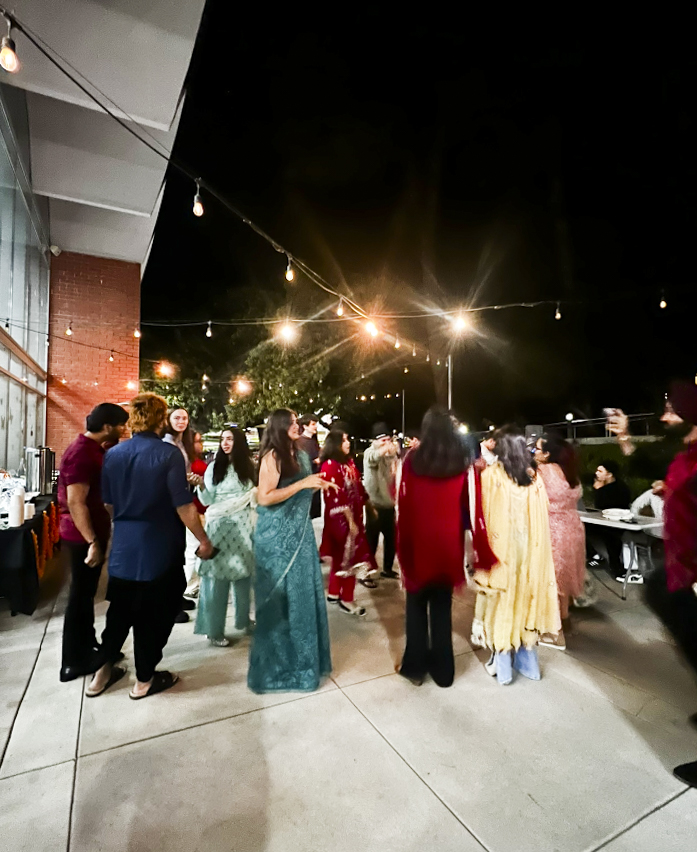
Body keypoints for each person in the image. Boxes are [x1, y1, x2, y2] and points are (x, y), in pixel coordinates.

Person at [86, 393, 214, 700]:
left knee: (119, 613)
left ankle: (100, 674)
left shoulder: (113, 454)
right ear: (160, 419)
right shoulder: (167, 454)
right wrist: (204, 540)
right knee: (155, 615)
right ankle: (144, 679)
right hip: (159, 545)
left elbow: (108, 503)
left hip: (124, 547)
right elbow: (183, 506)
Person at [609, 386, 697, 788]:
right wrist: (625, 437)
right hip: (682, 568)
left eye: (671, 412)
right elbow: (648, 464)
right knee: (658, 588)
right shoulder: (683, 456)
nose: (663, 419)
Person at [247, 409, 334, 693]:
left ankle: (307, 665)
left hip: (301, 536)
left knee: (303, 600)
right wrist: (303, 484)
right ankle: (280, 668)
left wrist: (318, 482)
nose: (298, 425)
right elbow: (265, 496)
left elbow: (301, 487)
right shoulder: (273, 456)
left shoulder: (302, 455)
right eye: (293, 422)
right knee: (282, 604)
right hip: (277, 539)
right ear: (281, 427)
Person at [471, 429, 560, 685]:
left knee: (502, 605)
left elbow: (483, 520)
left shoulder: (493, 477)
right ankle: (528, 663)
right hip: (531, 555)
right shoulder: (535, 480)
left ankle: (503, 666)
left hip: (504, 555)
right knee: (527, 603)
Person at [396, 407, 469, 687]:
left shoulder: (413, 459)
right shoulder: (460, 461)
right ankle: (444, 672)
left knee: (416, 607)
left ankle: (415, 668)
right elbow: (467, 505)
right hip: (447, 545)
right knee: (442, 608)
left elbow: (403, 503)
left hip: (418, 543)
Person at [57, 403, 129, 682]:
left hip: (87, 535)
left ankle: (90, 648)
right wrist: (92, 542)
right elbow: (76, 501)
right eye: (122, 424)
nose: (125, 429)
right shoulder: (81, 454)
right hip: (80, 538)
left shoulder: (92, 450)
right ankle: (74, 661)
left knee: (85, 597)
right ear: (108, 426)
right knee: (79, 598)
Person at [194, 428, 256, 646]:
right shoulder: (214, 467)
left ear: (238, 442)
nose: (225, 443)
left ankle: (244, 621)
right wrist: (201, 486)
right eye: (222, 439)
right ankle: (214, 630)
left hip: (243, 526)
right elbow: (208, 498)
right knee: (216, 580)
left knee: (243, 576)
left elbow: (255, 494)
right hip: (219, 527)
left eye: (230, 439)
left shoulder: (249, 467)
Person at [534, 434, 586, 650]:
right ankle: (564, 620)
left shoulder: (543, 471)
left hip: (552, 529)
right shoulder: (570, 472)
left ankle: (553, 631)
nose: (534, 453)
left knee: (551, 580)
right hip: (573, 528)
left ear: (547, 454)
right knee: (563, 579)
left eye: (537, 449)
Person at [319, 429, 377, 617]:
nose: (348, 443)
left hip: (353, 517)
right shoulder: (329, 465)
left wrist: (368, 505)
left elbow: (358, 487)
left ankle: (335, 593)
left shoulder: (349, 463)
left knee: (341, 557)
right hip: (340, 520)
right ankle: (347, 599)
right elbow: (336, 496)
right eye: (343, 440)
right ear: (334, 444)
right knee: (351, 559)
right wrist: (351, 521)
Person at [163, 407, 198, 621]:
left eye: (184, 417)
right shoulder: (167, 444)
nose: (181, 421)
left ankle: (177, 596)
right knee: (172, 553)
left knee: (180, 550)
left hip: (180, 496)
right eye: (176, 417)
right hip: (171, 503)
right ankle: (171, 603)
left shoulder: (181, 442)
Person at [363, 422, 399, 580]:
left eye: (388, 440)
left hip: (389, 502)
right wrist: (386, 448)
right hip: (374, 503)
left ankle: (388, 568)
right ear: (376, 441)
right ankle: (366, 573)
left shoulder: (391, 454)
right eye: (383, 440)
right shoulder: (370, 452)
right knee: (371, 540)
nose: (387, 443)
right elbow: (373, 458)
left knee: (391, 539)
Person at [588, 459, 632, 580]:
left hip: (618, 521)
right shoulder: (603, 486)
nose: (596, 473)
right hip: (603, 520)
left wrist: (599, 490)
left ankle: (617, 568)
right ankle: (592, 554)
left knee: (611, 536)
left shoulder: (620, 488)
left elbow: (605, 505)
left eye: (600, 471)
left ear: (609, 474)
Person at [182, 431, 208, 601]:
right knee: (193, 549)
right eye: (198, 441)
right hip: (196, 511)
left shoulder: (190, 463)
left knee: (192, 549)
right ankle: (191, 585)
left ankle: (192, 584)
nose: (201, 444)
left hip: (197, 510)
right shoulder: (195, 465)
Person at [296, 414, 322, 519]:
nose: (315, 426)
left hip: (315, 477)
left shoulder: (313, 441)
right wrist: (315, 461)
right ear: (305, 426)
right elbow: (299, 462)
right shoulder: (299, 442)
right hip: (306, 479)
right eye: (313, 424)